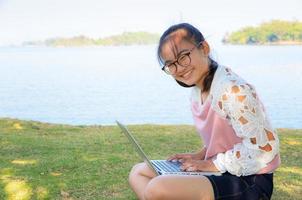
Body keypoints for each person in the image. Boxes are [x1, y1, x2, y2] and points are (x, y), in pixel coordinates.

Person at [128, 23, 280, 200]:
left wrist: (211, 164)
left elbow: (264, 149)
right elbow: (226, 136)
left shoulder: (232, 90)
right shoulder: (197, 92)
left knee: (157, 188)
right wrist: (199, 156)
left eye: (183, 57)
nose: (179, 68)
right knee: (138, 172)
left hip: (250, 180)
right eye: (171, 64)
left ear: (204, 48)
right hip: (222, 170)